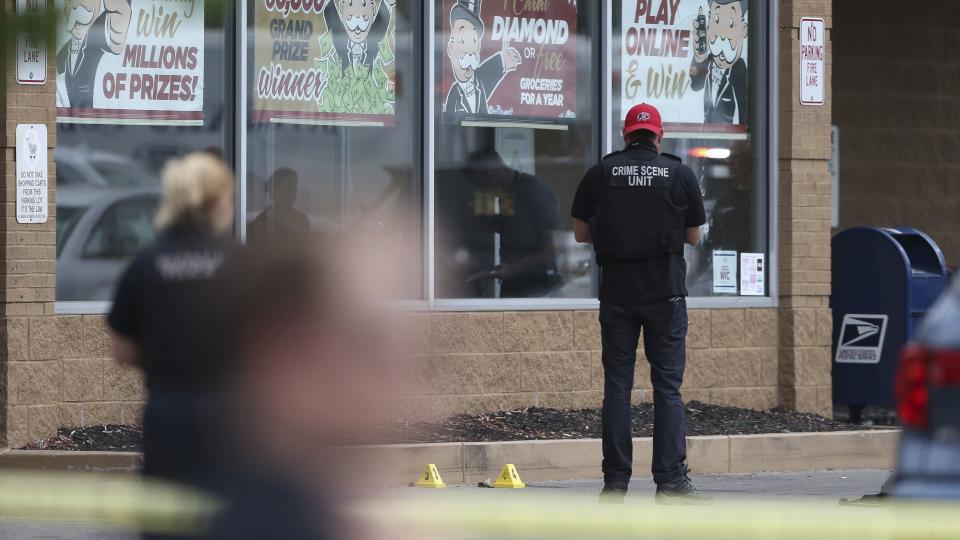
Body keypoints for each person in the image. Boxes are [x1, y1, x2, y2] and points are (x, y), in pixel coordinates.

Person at [571, 104, 706, 502]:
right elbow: (695, 237)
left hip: (618, 295)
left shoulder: (601, 174)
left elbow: (580, 233)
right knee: (667, 388)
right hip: (665, 295)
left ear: (626, 135)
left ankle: (615, 483)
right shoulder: (679, 174)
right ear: (658, 136)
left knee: (617, 387)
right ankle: (670, 482)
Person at [108, 152, 236, 491]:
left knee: (168, 514)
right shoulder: (243, 263)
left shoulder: (146, 263)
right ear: (217, 201)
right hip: (233, 412)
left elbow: (121, 348)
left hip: (168, 411)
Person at [464, 149, 563, 297]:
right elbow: (508, 227)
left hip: (539, 286)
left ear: (491, 174)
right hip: (514, 283)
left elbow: (555, 245)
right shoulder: (507, 193)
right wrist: (479, 217)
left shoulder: (532, 190)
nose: (481, 190)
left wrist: (515, 269)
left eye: (481, 184)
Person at [247, 167, 310, 244]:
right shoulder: (260, 223)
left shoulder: (301, 220)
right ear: (273, 191)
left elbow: (305, 251)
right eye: (286, 187)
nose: (291, 192)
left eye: (293, 187)